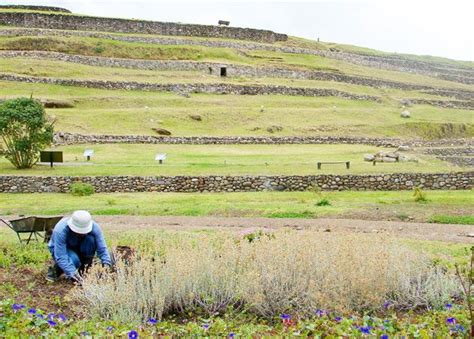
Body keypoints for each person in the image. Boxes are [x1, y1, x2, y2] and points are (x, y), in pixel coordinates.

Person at [46, 210, 112, 283]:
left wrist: (106, 265)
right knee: (74, 259)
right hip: (62, 249)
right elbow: (61, 256)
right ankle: (55, 271)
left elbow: (102, 248)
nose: (81, 234)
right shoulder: (61, 230)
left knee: (91, 240)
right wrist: (74, 275)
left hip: (80, 245)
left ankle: (84, 271)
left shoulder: (95, 227)